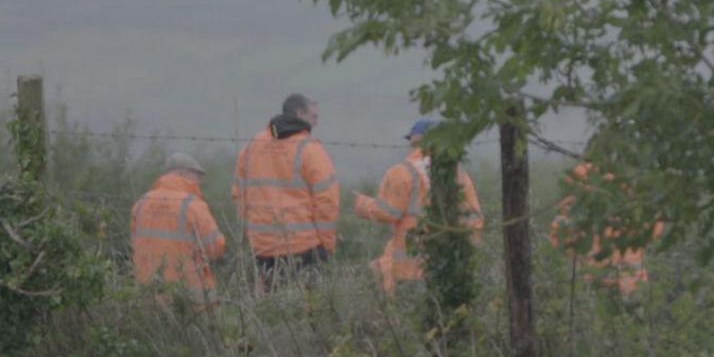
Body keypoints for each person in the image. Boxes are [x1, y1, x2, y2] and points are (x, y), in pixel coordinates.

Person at [353, 118, 484, 294]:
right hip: (450, 266)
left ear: (414, 142)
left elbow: (389, 212)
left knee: (409, 315)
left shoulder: (401, 172)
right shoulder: (457, 173)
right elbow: (474, 219)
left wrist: (363, 205)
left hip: (408, 269)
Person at [233, 93, 340, 291]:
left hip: (262, 247)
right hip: (303, 247)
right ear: (300, 113)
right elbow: (327, 201)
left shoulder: (253, 145)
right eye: (313, 116)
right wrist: (327, 246)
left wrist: (252, 231)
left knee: (269, 307)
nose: (316, 122)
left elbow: (239, 193)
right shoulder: (310, 148)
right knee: (306, 308)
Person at [551, 162, 664, 295]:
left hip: (602, 289)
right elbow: (654, 231)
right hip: (622, 289)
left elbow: (559, 244)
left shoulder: (573, 214)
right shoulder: (631, 208)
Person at [130, 152, 227, 297]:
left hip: (148, 291)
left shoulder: (141, 203)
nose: (199, 181)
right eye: (197, 175)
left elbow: (133, 244)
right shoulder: (193, 205)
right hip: (187, 293)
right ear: (183, 173)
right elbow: (215, 247)